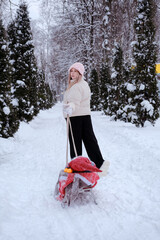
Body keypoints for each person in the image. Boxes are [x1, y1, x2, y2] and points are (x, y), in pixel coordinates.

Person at [63, 62, 109, 177]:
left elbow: (75, 102)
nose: (72, 74)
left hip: (75, 117)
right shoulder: (82, 84)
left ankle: (76, 166)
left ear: (80, 73)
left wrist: (70, 108)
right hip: (84, 116)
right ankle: (100, 163)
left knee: (75, 143)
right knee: (89, 140)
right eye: (71, 71)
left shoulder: (77, 86)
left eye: (75, 71)